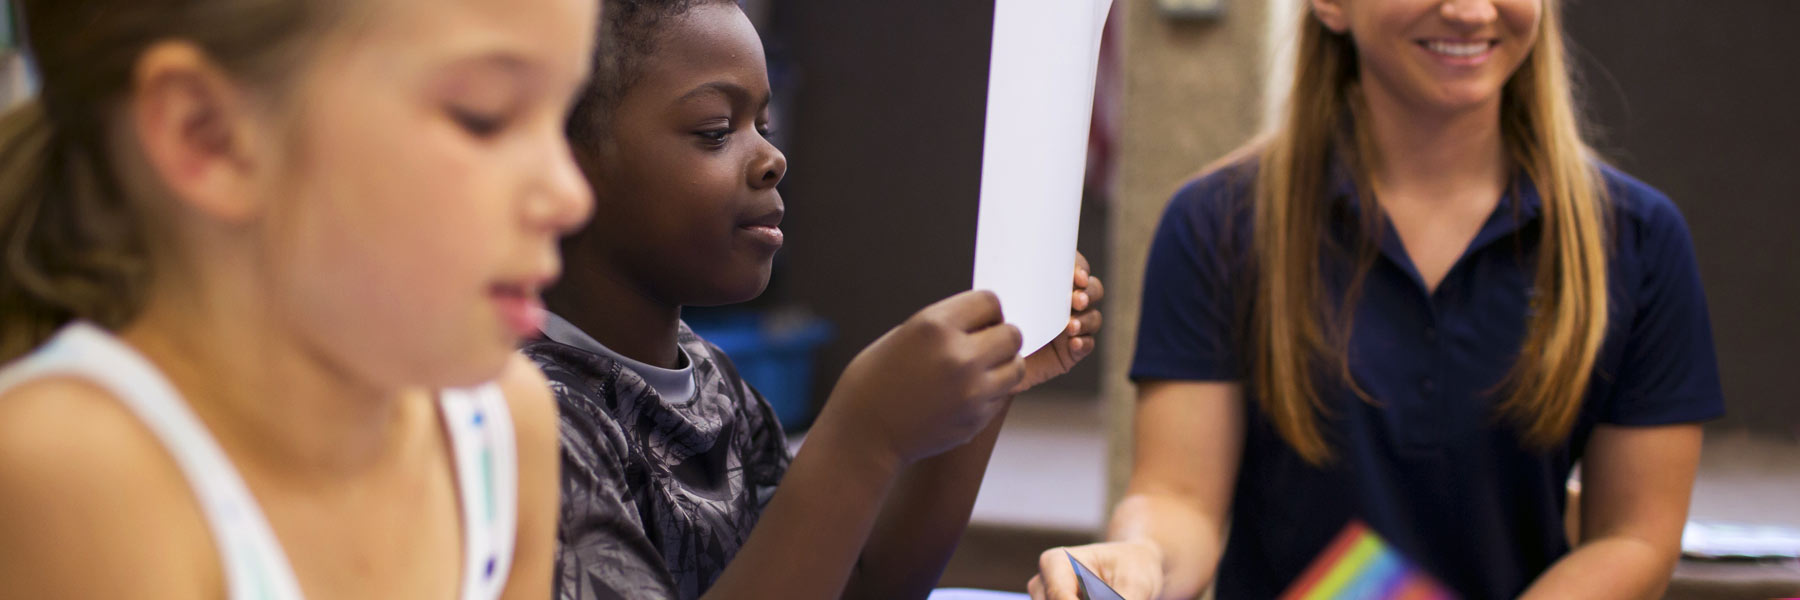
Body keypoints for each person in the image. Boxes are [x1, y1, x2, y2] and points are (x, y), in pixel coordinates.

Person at [1029, 0, 1721, 599]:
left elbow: (1633, 537)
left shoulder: (1636, 239)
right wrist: (1137, 559)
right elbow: (1179, 501)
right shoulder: (1216, 223)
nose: (1472, 11)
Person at [0, 0, 597, 597]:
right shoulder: (80, 470)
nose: (571, 196)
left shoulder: (504, 430)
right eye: (483, 117)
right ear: (209, 134)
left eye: (563, 116)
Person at [531, 1, 1105, 598]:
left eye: (765, 127)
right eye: (716, 131)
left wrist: (993, 380)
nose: (771, 160)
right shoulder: (538, 422)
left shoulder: (713, 380)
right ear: (567, 165)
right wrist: (861, 434)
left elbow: (860, 586)